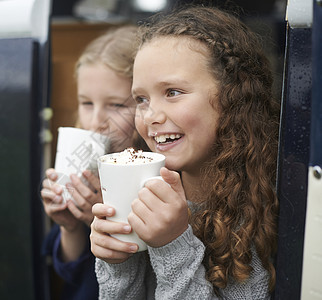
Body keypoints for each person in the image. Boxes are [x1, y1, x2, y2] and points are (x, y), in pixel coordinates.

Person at [90, 6, 280, 299]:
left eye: (172, 92)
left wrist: (172, 245)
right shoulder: (141, 194)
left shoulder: (264, 206)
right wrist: (119, 263)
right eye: (141, 98)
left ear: (231, 95)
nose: (151, 115)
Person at [41, 25, 146, 300]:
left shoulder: (161, 178)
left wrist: (107, 219)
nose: (96, 121)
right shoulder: (87, 169)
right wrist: (70, 225)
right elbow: (71, 273)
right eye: (86, 103)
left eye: (117, 105)